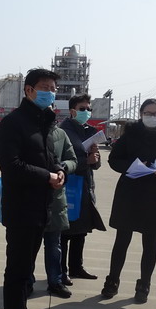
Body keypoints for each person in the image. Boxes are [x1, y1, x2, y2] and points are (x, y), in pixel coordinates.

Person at [0, 68, 63, 309]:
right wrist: (47, 176)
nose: (51, 92)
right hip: (21, 210)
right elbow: (11, 166)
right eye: (45, 87)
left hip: (41, 207)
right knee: (17, 272)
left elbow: (49, 158)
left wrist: (58, 170)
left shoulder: (44, 121)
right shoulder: (13, 123)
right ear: (29, 90)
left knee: (26, 273)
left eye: (54, 88)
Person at [103, 98, 156, 304]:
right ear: (140, 114)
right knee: (122, 240)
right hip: (130, 192)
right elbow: (114, 160)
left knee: (150, 242)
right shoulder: (130, 134)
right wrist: (134, 166)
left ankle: (144, 284)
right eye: (148, 113)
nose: (152, 117)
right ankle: (112, 281)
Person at [58, 94, 106, 283]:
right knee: (64, 232)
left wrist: (95, 157)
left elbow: (95, 165)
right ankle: (60, 271)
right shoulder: (63, 131)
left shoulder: (90, 131)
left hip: (86, 186)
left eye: (89, 109)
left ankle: (76, 267)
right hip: (69, 186)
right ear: (72, 111)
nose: (87, 112)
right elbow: (60, 162)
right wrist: (86, 161)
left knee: (81, 230)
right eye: (82, 109)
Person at [41, 125, 77, 298]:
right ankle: (27, 281)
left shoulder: (60, 134)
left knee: (54, 244)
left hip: (55, 197)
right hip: (31, 196)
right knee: (28, 246)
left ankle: (55, 282)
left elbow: (72, 160)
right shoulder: (26, 129)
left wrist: (63, 168)